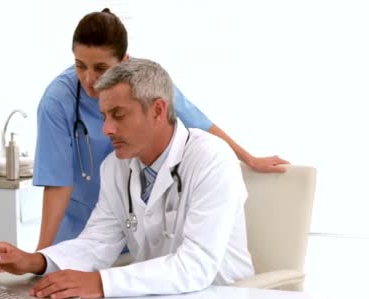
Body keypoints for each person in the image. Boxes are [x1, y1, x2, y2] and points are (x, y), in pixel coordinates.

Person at [0, 58, 254, 299]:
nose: (107, 129)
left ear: (158, 110)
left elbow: (196, 266)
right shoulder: (116, 167)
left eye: (118, 115)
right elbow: (97, 243)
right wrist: (34, 261)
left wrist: (101, 282)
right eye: (104, 116)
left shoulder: (211, 158)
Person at [33, 9, 288, 250]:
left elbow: (199, 123)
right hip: (84, 229)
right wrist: (40, 254)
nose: (88, 79)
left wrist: (249, 159)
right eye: (80, 65)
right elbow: (58, 182)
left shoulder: (146, 83)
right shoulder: (58, 100)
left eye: (101, 68)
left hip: (139, 223)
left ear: (124, 60)